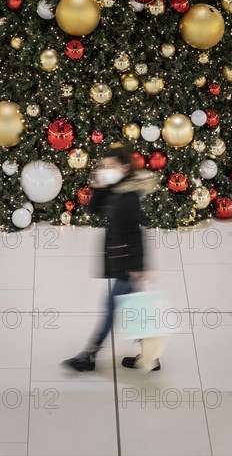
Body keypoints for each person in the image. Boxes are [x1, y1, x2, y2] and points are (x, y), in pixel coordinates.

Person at [62, 143, 160, 372]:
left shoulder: (129, 197)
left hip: (127, 262)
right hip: (121, 259)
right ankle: (150, 357)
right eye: (103, 165)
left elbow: (137, 234)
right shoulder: (117, 189)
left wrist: (137, 267)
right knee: (132, 308)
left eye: (110, 165)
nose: (105, 168)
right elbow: (94, 211)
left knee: (112, 306)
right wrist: (99, 187)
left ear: (125, 168)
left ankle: (90, 355)